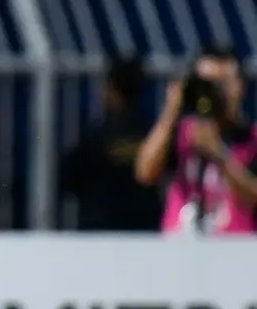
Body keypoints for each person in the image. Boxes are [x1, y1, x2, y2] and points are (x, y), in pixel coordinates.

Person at [135, 45, 257, 234]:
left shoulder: (252, 138)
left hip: (235, 252)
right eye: (206, 84)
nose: (213, 93)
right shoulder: (181, 132)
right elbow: (145, 172)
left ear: (239, 87)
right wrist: (171, 110)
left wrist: (219, 154)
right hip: (180, 248)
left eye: (221, 84)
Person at [59, 57, 161, 231]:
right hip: (143, 231)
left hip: (99, 229)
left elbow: (68, 179)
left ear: (111, 88)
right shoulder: (153, 137)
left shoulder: (95, 136)